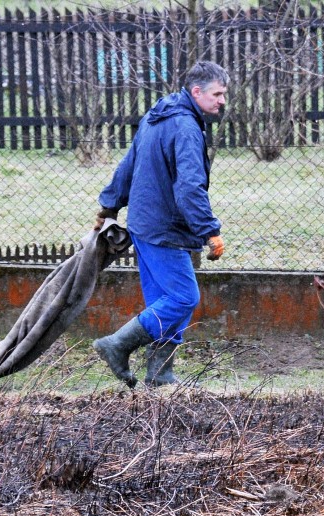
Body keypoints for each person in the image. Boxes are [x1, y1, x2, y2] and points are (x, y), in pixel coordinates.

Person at [92, 61, 229, 388]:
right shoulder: (185, 127)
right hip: (164, 229)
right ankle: (116, 345)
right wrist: (209, 230)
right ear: (196, 92)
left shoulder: (158, 116)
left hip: (144, 225)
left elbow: (128, 165)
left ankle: (160, 376)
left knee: (164, 303)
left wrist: (108, 207)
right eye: (217, 94)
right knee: (183, 298)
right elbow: (189, 187)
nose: (222, 100)